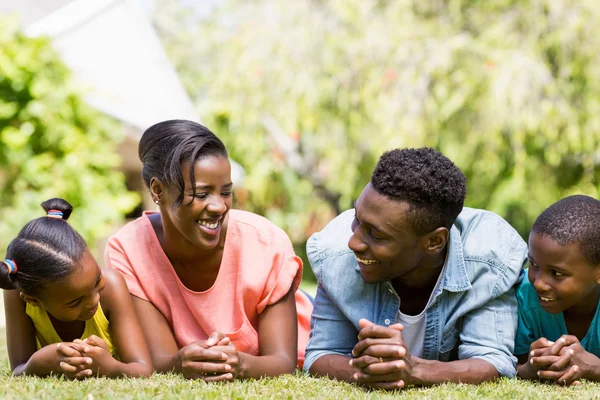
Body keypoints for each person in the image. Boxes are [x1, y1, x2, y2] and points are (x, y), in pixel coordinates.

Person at [105, 119, 313, 381]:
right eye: (202, 194)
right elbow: (157, 359)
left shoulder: (266, 242)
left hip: (300, 327)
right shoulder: (128, 250)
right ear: (158, 190)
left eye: (226, 192)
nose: (219, 207)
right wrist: (179, 362)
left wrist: (241, 366)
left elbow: (282, 361)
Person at [304, 147, 527, 389]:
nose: (354, 242)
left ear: (434, 241)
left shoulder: (488, 259)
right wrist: (375, 369)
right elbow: (320, 355)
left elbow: (492, 361)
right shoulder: (334, 255)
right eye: (357, 218)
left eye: (376, 235)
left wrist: (414, 369)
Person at [1, 198, 152, 378]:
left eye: (97, 281)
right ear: (33, 300)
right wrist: (36, 365)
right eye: (76, 301)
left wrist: (110, 367)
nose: (94, 300)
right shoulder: (17, 294)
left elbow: (142, 368)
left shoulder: (111, 286)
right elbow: (18, 369)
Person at [515, 195, 600, 385]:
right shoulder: (524, 297)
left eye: (557, 273)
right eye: (534, 264)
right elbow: (508, 364)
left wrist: (593, 367)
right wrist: (529, 368)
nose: (539, 284)